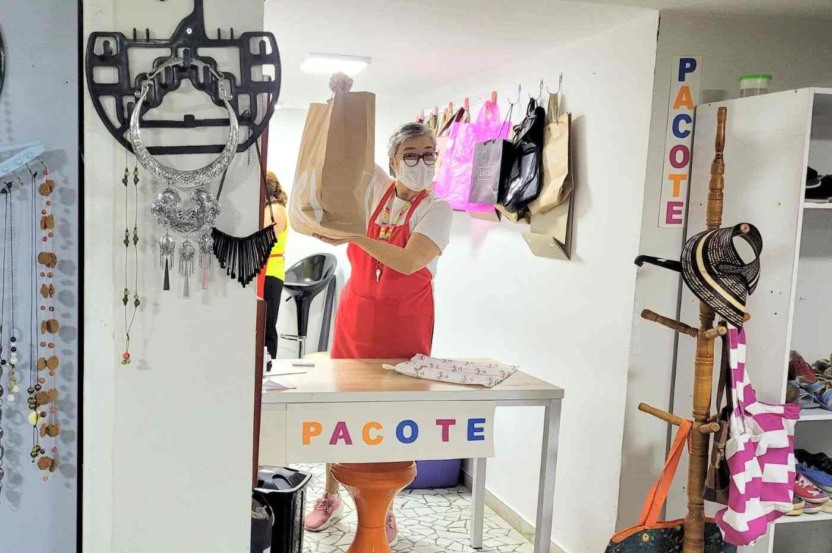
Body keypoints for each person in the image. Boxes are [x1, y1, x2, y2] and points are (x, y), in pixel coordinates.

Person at [304, 122, 452, 544]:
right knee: (340, 408)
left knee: (393, 411)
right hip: (355, 316)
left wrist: (354, 235)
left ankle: (383, 508)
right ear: (393, 161)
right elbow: (347, 146)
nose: (421, 162)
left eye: (429, 154)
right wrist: (341, 102)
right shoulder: (374, 191)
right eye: (411, 155)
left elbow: (408, 261)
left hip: (404, 321)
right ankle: (331, 494)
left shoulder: (436, 209)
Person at [262, 171, 288, 369]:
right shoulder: (271, 208)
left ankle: (267, 367)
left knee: (267, 325)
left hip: (270, 272)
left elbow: (262, 238)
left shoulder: (275, 209)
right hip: (265, 270)